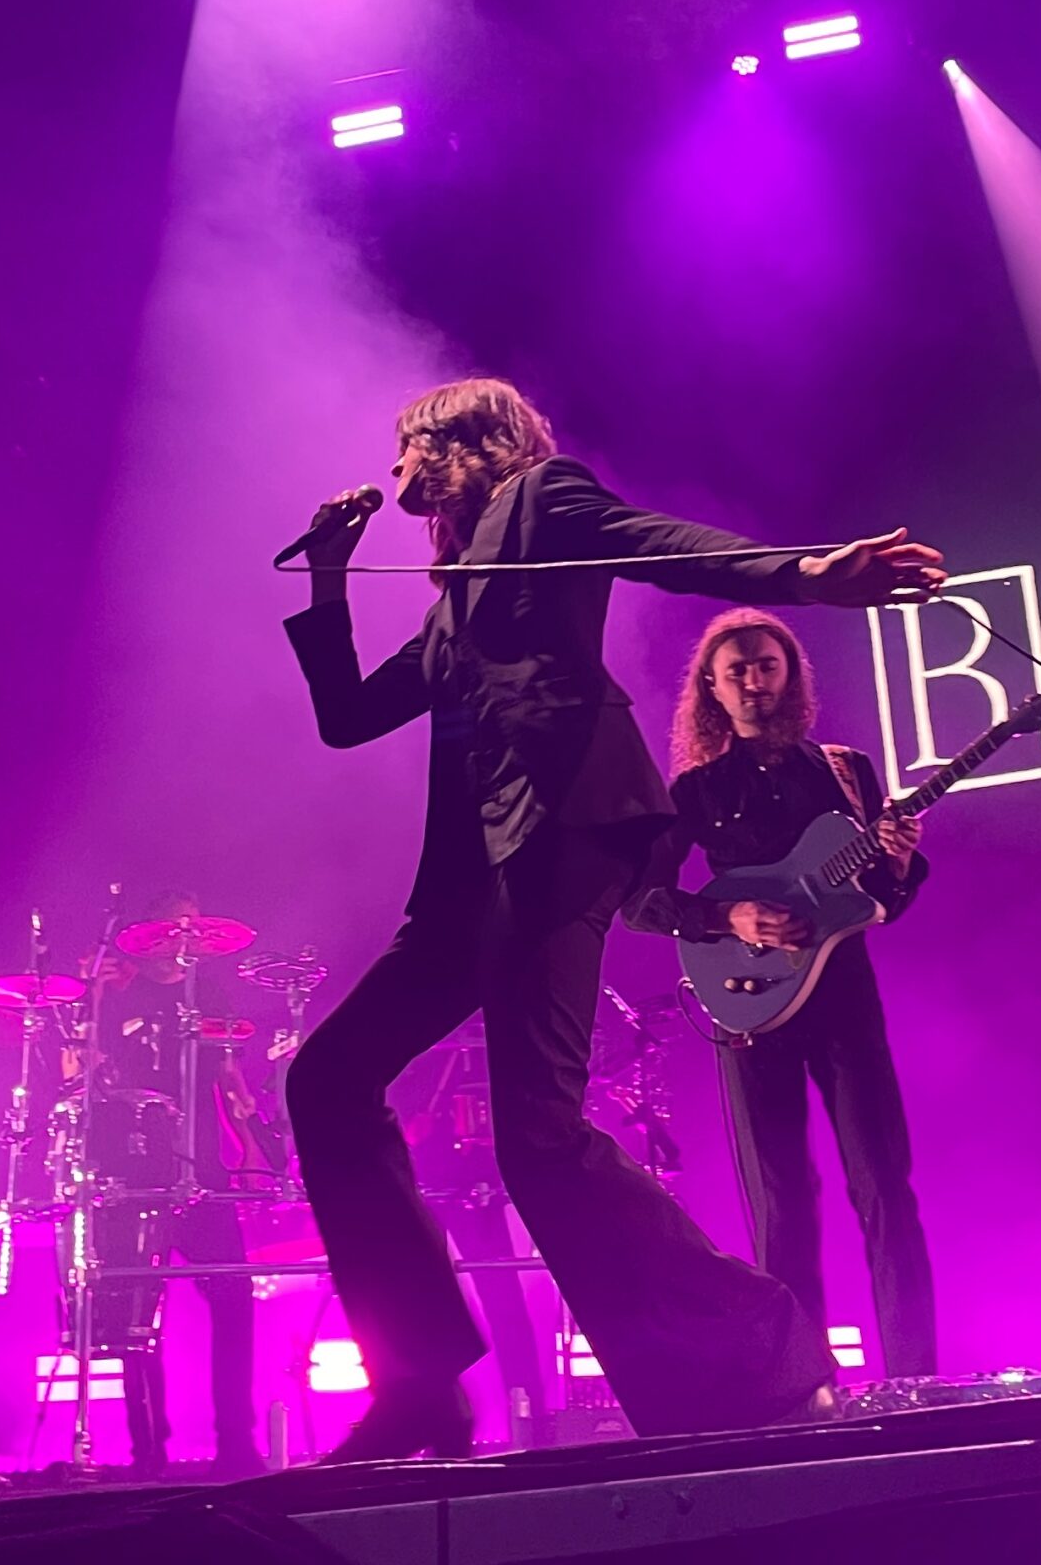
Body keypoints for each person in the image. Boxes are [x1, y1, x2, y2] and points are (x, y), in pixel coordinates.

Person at [281, 378, 943, 1459]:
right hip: (466, 879)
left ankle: (762, 1345)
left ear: (456, 445)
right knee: (328, 1078)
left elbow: (665, 544)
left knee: (535, 1141)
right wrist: (325, 572)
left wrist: (816, 573)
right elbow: (347, 716)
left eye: (407, 450)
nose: (392, 471)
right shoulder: (454, 595)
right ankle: (419, 1387)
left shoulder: (544, 498)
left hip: (558, 841)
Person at [624, 609, 938, 1378]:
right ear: (712, 690)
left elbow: (881, 902)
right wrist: (725, 913)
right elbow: (638, 898)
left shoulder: (844, 772)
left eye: (767, 666)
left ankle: (916, 1377)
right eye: (736, 672)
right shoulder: (695, 790)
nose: (754, 682)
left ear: (791, 676)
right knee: (782, 1200)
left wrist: (896, 864)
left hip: (845, 1001)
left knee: (885, 1187)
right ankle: (806, 1384)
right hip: (749, 1004)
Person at [82, 891, 271, 1477]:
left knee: (234, 1301)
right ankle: (148, 1452)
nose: (186, 933)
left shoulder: (209, 993)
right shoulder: (120, 992)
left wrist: (256, 1145)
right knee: (139, 1318)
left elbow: (230, 1075)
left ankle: (237, 1445)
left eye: (195, 922)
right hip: (134, 1175)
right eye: (175, 923)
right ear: (150, 931)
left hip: (203, 1174)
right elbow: (82, 1065)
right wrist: (91, 993)